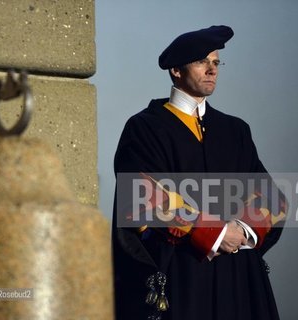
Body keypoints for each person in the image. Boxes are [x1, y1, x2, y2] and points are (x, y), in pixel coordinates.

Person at [112, 25, 287, 320]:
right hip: (183, 273)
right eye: (201, 62)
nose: (212, 70)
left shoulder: (236, 130)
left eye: (216, 62)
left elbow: (271, 196)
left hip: (237, 276)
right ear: (175, 71)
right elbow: (142, 196)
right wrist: (214, 233)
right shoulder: (145, 128)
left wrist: (241, 231)